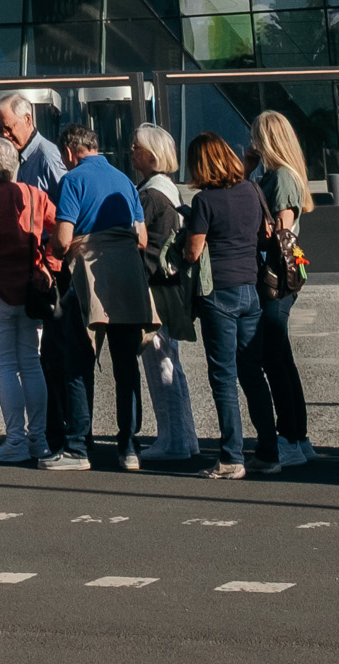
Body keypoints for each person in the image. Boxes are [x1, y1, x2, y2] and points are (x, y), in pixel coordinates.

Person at [42, 123, 143, 471]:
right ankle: (129, 447)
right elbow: (141, 237)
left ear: (70, 152)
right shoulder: (126, 180)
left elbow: (63, 238)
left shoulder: (73, 180)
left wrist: (52, 244)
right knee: (126, 365)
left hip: (88, 276)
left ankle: (77, 448)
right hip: (128, 276)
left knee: (78, 363)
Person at [173, 132, 263, 481]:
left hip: (219, 291)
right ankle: (268, 450)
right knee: (253, 374)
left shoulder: (205, 201)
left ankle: (231, 457)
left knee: (223, 376)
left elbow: (193, 252)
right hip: (250, 287)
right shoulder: (251, 191)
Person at [0, 126, 59, 463]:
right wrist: (49, 265)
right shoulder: (34, 195)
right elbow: (61, 227)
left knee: (4, 367)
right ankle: (39, 439)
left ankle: (15, 441)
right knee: (31, 365)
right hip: (30, 288)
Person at [238, 110, 318, 472]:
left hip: (277, 275)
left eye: (256, 136)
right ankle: (298, 436)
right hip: (278, 274)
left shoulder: (282, 178)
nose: (252, 142)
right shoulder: (271, 175)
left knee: (273, 355)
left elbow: (280, 233)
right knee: (280, 356)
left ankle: (289, 437)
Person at [132, 126, 203, 466]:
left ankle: (173, 439)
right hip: (172, 287)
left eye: (138, 147)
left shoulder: (150, 195)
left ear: (152, 155)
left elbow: (148, 248)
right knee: (171, 364)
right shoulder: (168, 190)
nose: (132, 151)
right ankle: (184, 437)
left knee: (160, 364)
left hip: (156, 289)